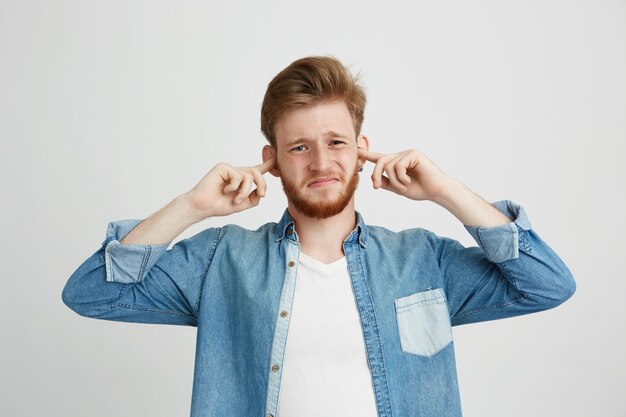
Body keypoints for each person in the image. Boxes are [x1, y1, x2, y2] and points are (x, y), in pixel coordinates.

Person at [62, 56, 576, 417]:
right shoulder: (223, 261)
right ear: (274, 161)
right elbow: (91, 292)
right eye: (300, 148)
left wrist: (447, 192)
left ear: (362, 150)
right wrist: (192, 207)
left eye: (336, 142)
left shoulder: (423, 261)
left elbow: (546, 284)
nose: (323, 162)